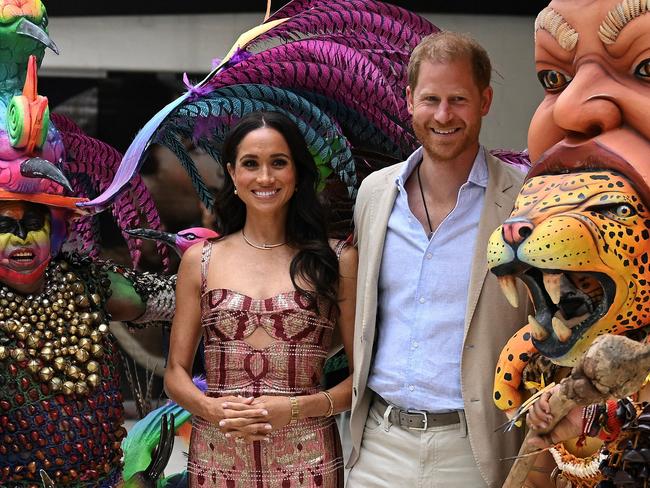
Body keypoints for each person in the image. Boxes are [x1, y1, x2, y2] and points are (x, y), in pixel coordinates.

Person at [346, 31, 530, 487]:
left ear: (485, 101)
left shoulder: (525, 200)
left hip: (474, 449)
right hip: (378, 445)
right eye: (430, 99)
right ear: (409, 100)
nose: (443, 115)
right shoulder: (374, 194)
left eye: (458, 99)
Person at [164, 111, 357, 488]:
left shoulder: (337, 260)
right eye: (251, 164)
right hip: (218, 454)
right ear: (233, 174)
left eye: (279, 163)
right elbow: (175, 374)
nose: (265, 177)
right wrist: (209, 407)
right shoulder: (200, 261)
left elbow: (361, 379)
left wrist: (296, 407)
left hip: (307, 458)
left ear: (297, 174)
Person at [516, 0, 650, 485]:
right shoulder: (559, 332)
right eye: (553, 79)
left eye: (647, 67)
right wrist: (539, 441)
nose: (571, 107)